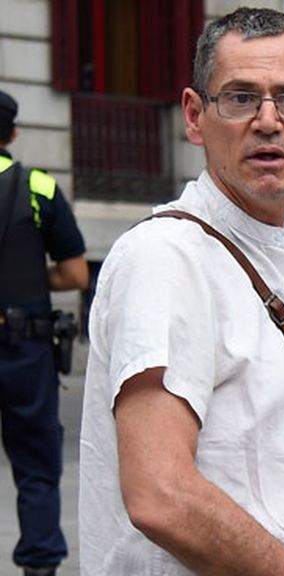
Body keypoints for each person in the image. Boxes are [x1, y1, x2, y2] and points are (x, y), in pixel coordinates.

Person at [79, 8, 284, 576]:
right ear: (195, 116)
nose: (268, 120)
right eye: (239, 98)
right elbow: (160, 494)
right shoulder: (166, 258)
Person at [0, 90, 88, 576]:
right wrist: (34, 279)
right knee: (36, 464)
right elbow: (75, 275)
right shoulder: (37, 187)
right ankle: (39, 567)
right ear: (11, 133)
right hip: (23, 345)